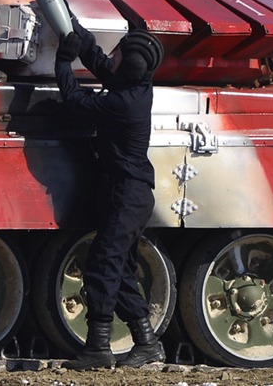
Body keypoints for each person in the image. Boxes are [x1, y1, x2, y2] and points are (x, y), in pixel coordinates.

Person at [54, 22, 165, 370]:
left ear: (125, 64)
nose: (110, 56)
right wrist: (72, 28)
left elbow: (74, 100)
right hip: (131, 194)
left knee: (102, 267)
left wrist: (63, 61)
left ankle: (98, 348)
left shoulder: (120, 103)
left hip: (125, 195)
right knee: (120, 271)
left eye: (115, 52)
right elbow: (103, 64)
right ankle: (147, 342)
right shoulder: (136, 86)